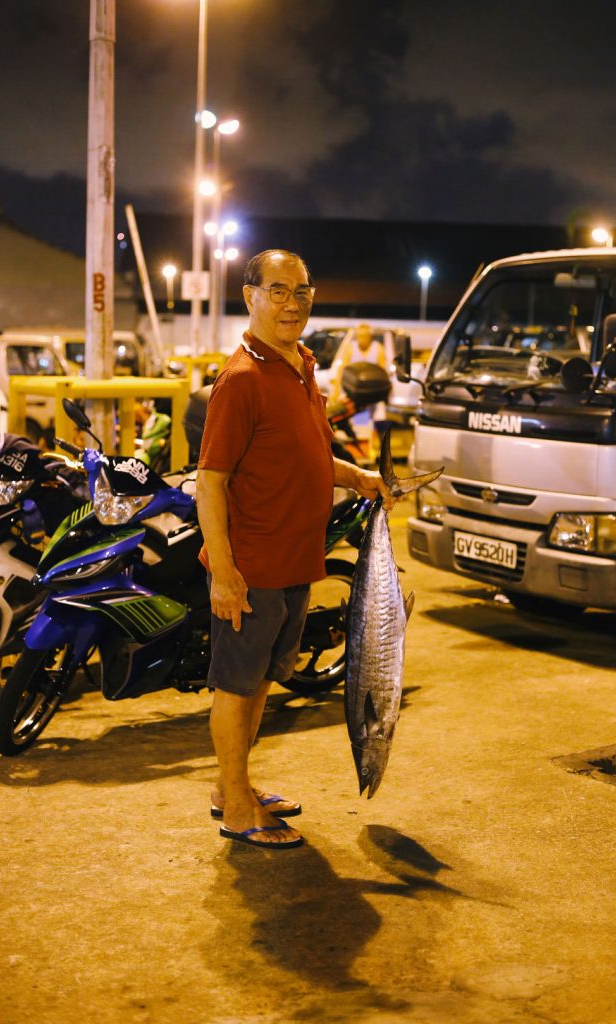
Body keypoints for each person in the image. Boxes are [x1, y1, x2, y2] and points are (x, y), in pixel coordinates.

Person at [196, 249, 395, 850]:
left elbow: (300, 454)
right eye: (277, 291)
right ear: (249, 296)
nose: (291, 303)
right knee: (237, 684)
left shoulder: (302, 365)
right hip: (253, 565)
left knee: (259, 682)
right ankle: (236, 806)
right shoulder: (242, 380)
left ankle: (233, 784)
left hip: (295, 560)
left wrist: (353, 476)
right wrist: (224, 571)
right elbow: (211, 481)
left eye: (301, 291)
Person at [330, 322, 390, 456]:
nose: (362, 339)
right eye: (359, 336)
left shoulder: (378, 348)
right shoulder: (351, 348)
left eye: (364, 336)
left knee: (380, 419)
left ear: (370, 336)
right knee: (359, 423)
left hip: (374, 393)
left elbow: (384, 370)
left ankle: (382, 452)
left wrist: (385, 393)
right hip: (355, 394)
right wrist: (336, 390)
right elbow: (342, 370)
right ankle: (360, 452)